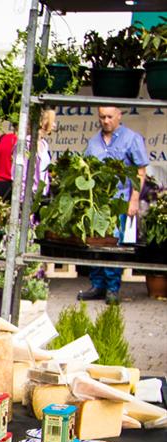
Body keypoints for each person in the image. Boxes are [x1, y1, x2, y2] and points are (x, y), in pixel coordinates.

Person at [77, 106, 148, 305]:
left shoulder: (131, 138)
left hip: (120, 202)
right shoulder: (93, 142)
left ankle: (112, 288)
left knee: (114, 244)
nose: (106, 121)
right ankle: (97, 285)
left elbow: (140, 171)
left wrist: (133, 200)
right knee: (96, 243)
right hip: (98, 203)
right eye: (102, 117)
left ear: (119, 116)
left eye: (109, 117)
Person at [34, 108, 56, 195]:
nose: (54, 125)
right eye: (52, 121)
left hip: (42, 194)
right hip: (31, 194)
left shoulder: (44, 144)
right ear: (43, 123)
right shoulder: (28, 143)